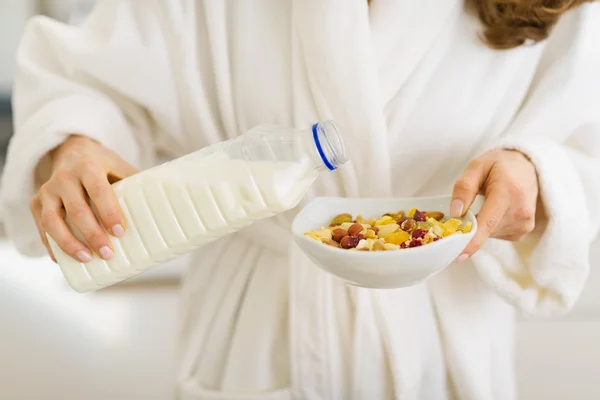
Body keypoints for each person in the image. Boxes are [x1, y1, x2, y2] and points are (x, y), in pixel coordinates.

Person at [2, 0, 600, 398]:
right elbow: (92, 77)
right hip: (258, 319)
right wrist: (76, 142)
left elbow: (585, 138)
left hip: (443, 328)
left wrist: (537, 174)